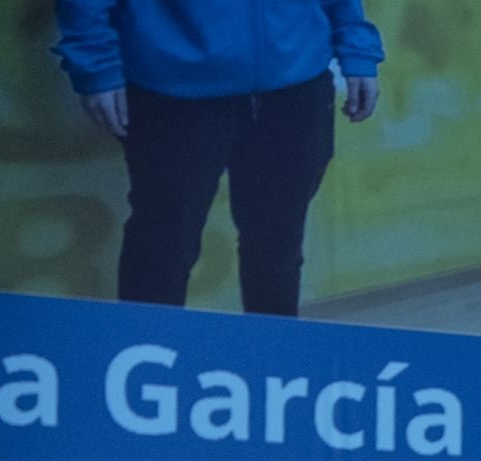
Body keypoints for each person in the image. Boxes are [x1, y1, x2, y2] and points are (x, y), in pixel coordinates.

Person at [51, 1, 386, 315]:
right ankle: (148, 362)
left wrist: (356, 46)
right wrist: (96, 66)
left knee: (278, 244)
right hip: (172, 87)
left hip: (296, 83)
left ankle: (272, 364)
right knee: (164, 245)